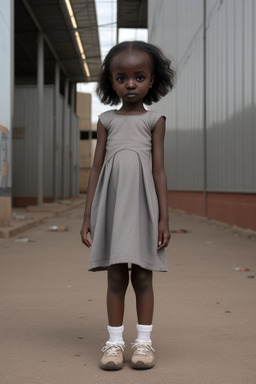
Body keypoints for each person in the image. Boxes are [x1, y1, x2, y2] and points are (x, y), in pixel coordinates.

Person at [80, 40, 174, 371]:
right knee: (116, 277)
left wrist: (164, 218)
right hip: (112, 210)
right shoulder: (106, 120)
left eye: (139, 77)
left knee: (144, 278)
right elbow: (95, 169)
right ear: (110, 81)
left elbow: (159, 171)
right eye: (121, 78)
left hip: (145, 211)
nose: (130, 84)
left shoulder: (155, 120)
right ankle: (114, 343)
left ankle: (144, 343)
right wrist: (88, 214)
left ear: (152, 79)